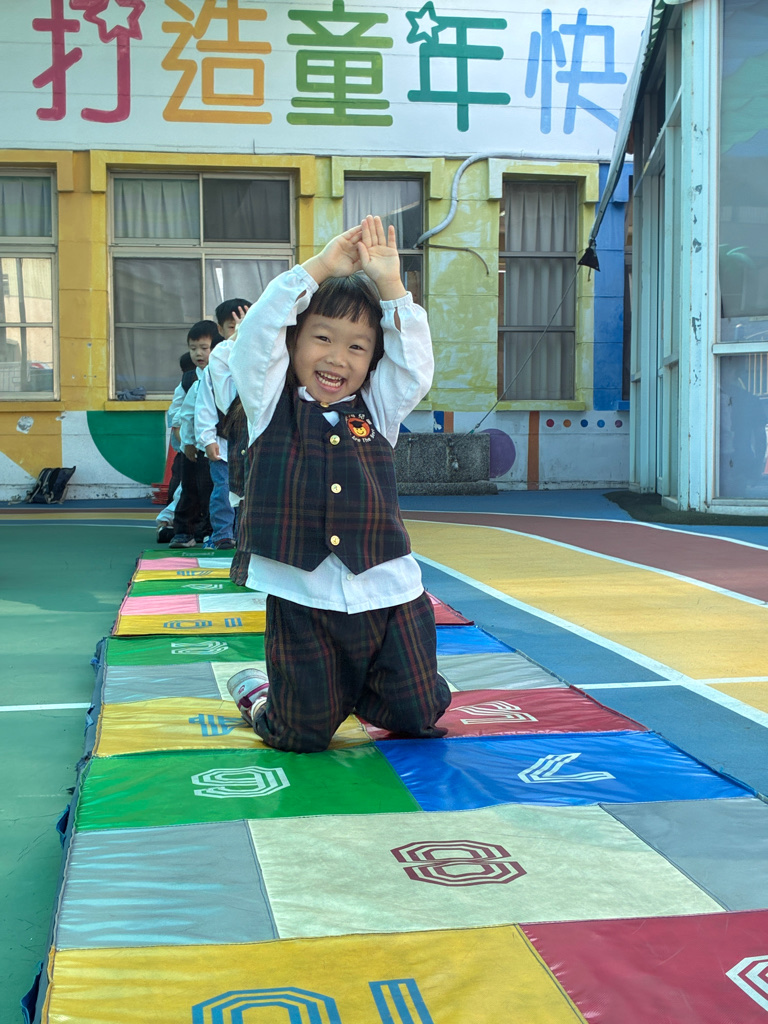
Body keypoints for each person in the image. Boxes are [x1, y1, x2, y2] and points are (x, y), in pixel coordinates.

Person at [227, 215, 451, 753]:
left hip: (389, 592)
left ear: (373, 359)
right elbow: (256, 336)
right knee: (298, 736)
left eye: (357, 347)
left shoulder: (378, 409)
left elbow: (415, 369)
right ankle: (262, 695)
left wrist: (392, 287)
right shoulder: (267, 404)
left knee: (418, 717)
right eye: (322, 338)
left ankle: (372, 686)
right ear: (294, 342)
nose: (336, 358)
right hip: (304, 597)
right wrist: (320, 268)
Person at [168, 320, 223, 548]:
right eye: (193, 348)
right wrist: (186, 442)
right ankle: (183, 532)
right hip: (191, 449)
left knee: (214, 491)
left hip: (217, 446)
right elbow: (180, 413)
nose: (198, 353)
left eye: (204, 348)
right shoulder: (189, 379)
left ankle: (213, 531)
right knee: (188, 489)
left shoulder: (225, 376)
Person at [156, 351, 194, 544]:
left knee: (184, 488)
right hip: (186, 451)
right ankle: (168, 522)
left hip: (192, 448)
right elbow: (177, 421)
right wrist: (187, 445)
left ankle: (172, 523)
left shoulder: (206, 383)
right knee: (182, 489)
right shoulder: (186, 387)